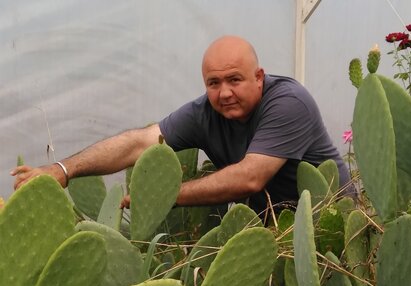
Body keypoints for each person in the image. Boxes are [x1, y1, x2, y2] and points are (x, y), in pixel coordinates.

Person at [11, 35, 351, 216]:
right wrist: (61, 169)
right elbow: (139, 143)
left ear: (259, 77)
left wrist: (162, 196)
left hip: (333, 227)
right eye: (213, 82)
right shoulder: (205, 112)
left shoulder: (289, 102)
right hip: (274, 229)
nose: (224, 93)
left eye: (235, 79)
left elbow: (251, 177)